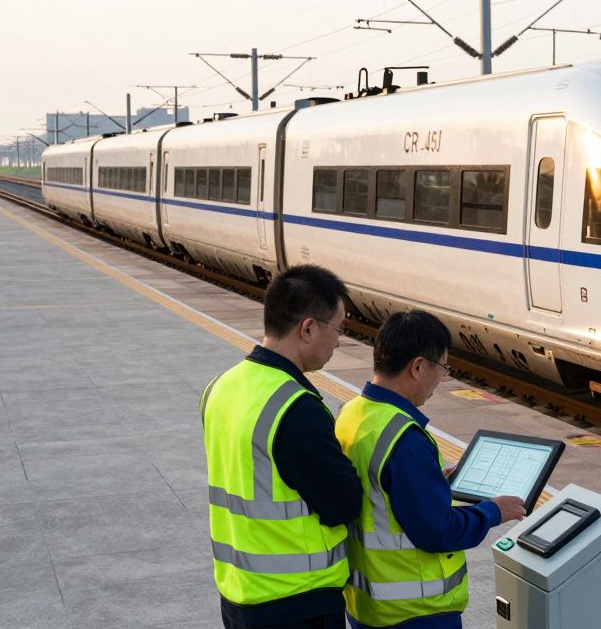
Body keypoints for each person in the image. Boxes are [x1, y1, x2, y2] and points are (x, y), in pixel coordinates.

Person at [335, 310, 527, 629]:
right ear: (419, 366)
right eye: (443, 367)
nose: (443, 378)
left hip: (366, 605)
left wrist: (432, 482)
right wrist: (494, 511)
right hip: (415, 613)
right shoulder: (405, 439)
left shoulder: (352, 413)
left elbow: (382, 494)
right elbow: (438, 530)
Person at [201, 265, 364, 629]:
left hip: (239, 593)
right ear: (308, 328)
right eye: (339, 329)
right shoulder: (295, 407)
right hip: (297, 601)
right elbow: (343, 503)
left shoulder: (221, 386)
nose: (339, 341)